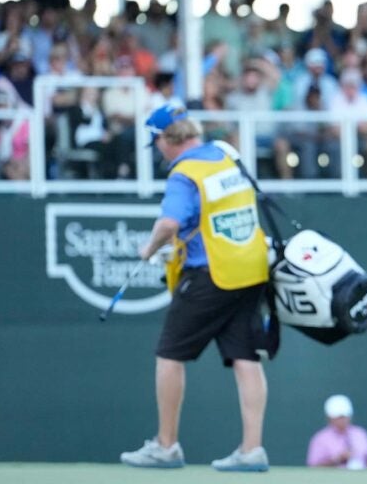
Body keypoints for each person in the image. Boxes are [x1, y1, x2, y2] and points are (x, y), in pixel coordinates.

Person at [120, 103, 276, 472]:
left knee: (169, 354)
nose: (157, 149)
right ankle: (252, 449)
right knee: (245, 357)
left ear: (164, 139)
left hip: (210, 272)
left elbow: (169, 224)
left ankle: (166, 445)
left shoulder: (183, 173)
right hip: (251, 268)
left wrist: (147, 249)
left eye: (155, 142)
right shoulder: (225, 155)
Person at [306, 394, 367, 469]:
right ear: (329, 418)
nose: (342, 420)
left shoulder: (360, 433)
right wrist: (337, 460)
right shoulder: (320, 438)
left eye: (344, 417)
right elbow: (314, 466)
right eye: (338, 417)